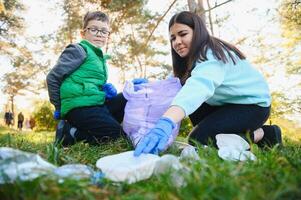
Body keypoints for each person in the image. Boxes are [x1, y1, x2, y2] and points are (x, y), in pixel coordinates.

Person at [134, 11, 282, 156]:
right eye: (172, 38)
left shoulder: (211, 54)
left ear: (197, 32)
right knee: (184, 88)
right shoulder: (190, 59)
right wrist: (150, 85)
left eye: (183, 34)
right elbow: (174, 84)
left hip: (253, 106)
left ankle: (264, 133)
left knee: (199, 141)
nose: (177, 42)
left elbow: (198, 87)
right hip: (224, 104)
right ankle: (227, 135)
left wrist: (166, 122)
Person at [47, 11, 145, 146]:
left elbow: (89, 82)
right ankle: (70, 133)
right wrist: (58, 106)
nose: (99, 34)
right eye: (93, 29)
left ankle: (102, 127)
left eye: (104, 31)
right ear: (83, 33)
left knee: (129, 97)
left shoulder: (100, 58)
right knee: (119, 138)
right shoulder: (78, 50)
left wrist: (106, 94)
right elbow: (53, 77)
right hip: (79, 107)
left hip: (95, 104)